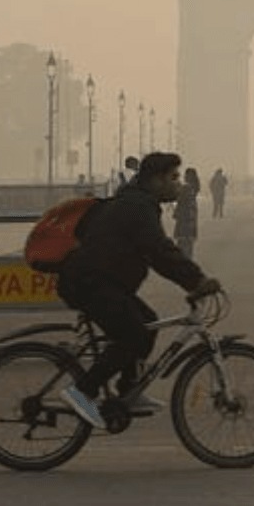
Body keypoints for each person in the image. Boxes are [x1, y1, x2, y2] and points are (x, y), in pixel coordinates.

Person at [56, 152, 222, 429]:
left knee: (147, 323)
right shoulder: (137, 208)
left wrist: (191, 280)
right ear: (156, 181)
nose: (178, 184)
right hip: (90, 283)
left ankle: (128, 391)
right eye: (173, 177)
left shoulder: (136, 202)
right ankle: (81, 391)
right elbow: (160, 252)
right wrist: (196, 281)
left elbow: (158, 253)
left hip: (101, 281)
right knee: (133, 335)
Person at [172, 167, 200, 259]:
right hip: (191, 217)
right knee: (189, 242)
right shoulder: (193, 188)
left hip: (184, 217)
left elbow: (178, 199)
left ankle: (183, 260)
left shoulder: (186, 188)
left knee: (182, 242)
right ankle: (187, 259)